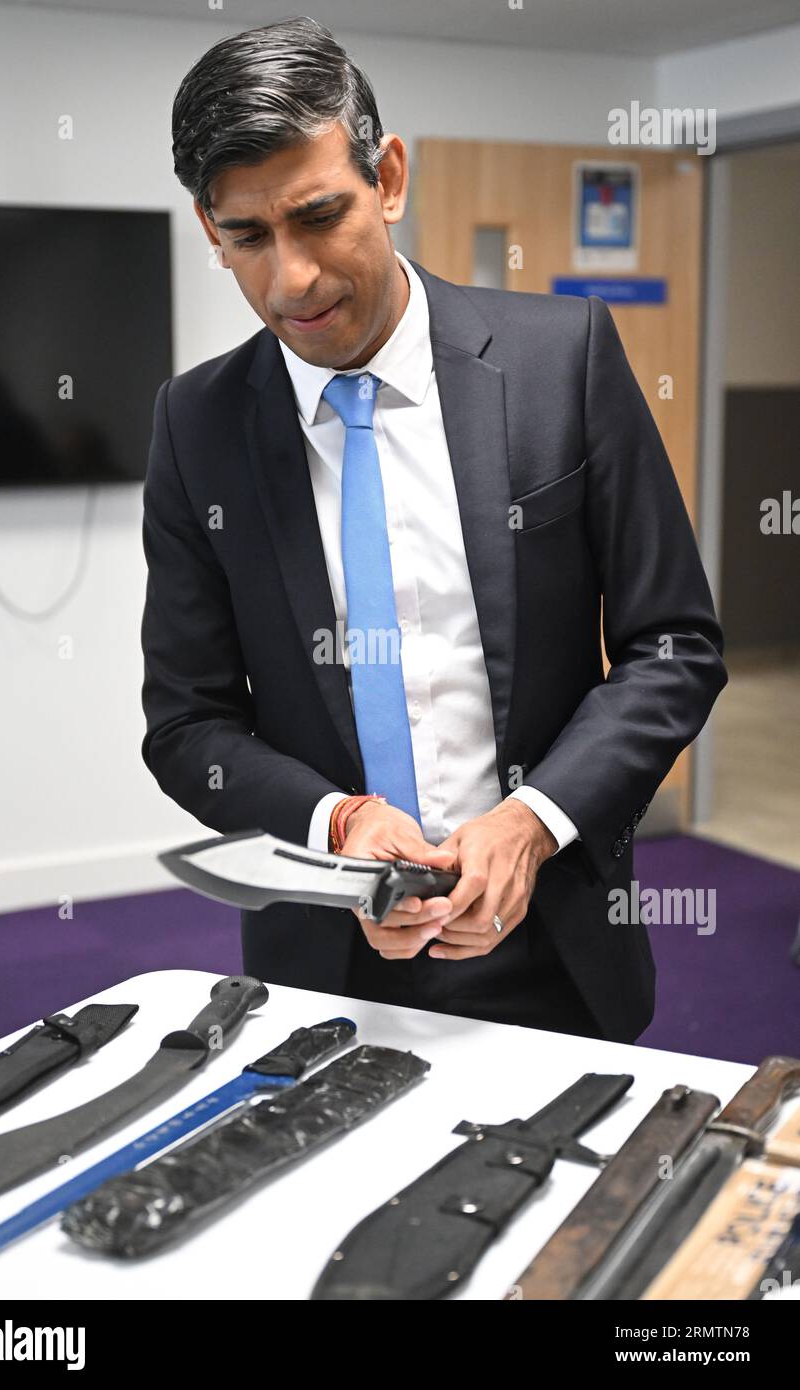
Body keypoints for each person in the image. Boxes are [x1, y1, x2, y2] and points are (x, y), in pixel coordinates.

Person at [140, 17, 727, 1041]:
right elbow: (189, 726)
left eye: (319, 216)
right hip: (324, 956)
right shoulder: (195, 426)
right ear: (208, 227)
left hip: (556, 942)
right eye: (247, 237)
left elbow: (671, 646)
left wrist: (533, 819)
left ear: (389, 176)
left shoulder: (562, 360)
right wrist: (342, 822)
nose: (291, 281)